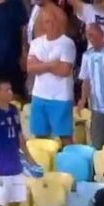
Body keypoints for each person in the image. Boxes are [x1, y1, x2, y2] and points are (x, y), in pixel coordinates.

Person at [26, 9, 75, 144]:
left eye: (54, 21)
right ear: (42, 25)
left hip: (60, 97)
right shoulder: (36, 43)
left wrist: (40, 65)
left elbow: (64, 70)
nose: (52, 24)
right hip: (39, 96)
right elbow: (30, 68)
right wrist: (51, 64)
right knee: (39, 137)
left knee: (65, 137)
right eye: (48, 22)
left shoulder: (67, 43)